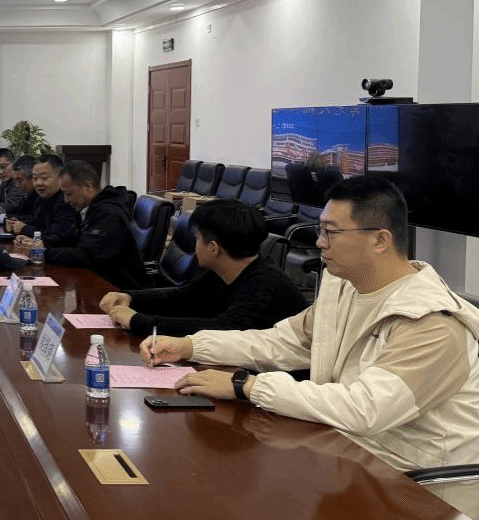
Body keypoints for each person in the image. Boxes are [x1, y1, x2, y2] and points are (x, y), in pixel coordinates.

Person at [144, 176, 479, 475]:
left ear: (380, 240)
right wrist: (190, 345)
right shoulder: (347, 289)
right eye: (321, 230)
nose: (319, 242)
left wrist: (246, 385)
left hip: (420, 488)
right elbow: (280, 342)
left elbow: (365, 408)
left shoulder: (433, 322)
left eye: (331, 232)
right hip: (348, 454)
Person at [99, 198, 307, 337]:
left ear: (214, 248)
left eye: (197, 239)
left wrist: (138, 321)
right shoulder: (226, 269)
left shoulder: (265, 286)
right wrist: (130, 297)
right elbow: (182, 297)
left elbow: (222, 331)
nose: (195, 245)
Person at [42, 160, 147, 289]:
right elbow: (70, 238)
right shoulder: (88, 209)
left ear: (88, 186)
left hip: (119, 290)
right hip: (97, 281)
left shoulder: (109, 214)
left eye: (68, 193)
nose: (66, 200)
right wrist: (41, 243)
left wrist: (44, 254)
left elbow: (87, 257)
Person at [4, 154, 79, 248]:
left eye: (44, 178)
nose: (38, 183)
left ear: (61, 176)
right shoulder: (44, 197)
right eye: (35, 178)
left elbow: (55, 234)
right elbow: (35, 221)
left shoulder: (67, 200)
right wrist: (14, 222)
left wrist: (24, 228)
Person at [0, 155, 37, 226]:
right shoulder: (6, 183)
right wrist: (1, 212)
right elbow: (22, 215)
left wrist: (1, 218)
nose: (0, 172)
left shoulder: (42, 196)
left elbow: (36, 222)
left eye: (4, 166)